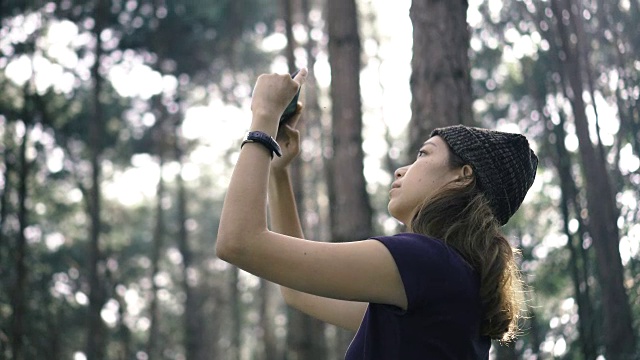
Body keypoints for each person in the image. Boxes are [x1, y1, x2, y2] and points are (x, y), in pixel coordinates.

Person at [216, 69, 538, 359]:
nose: (401, 170)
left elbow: (238, 243)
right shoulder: (446, 281)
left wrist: (264, 118)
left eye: (423, 154)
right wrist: (278, 173)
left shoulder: (425, 261)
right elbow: (299, 291)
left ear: (463, 175)